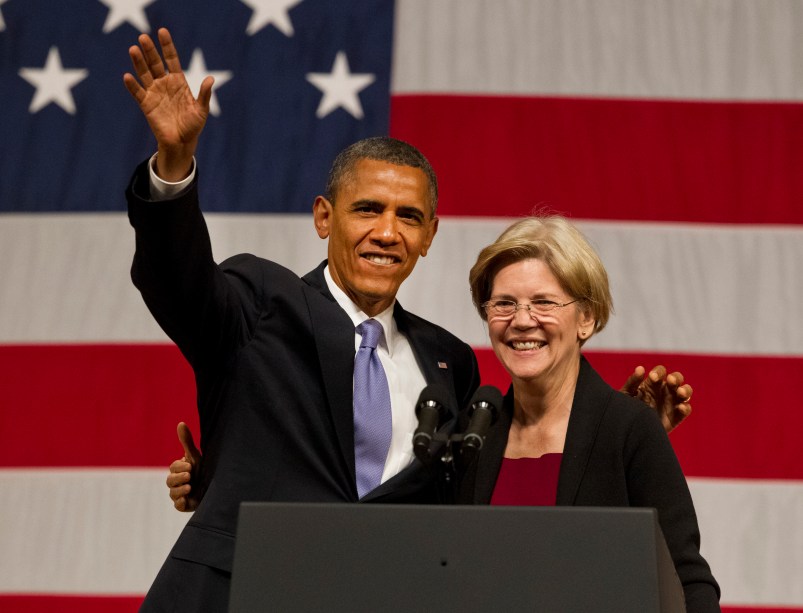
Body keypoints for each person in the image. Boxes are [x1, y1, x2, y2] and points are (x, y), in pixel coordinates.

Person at [124, 28, 694, 611]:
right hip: (241, 594)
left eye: (409, 216)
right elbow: (176, 281)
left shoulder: (451, 364)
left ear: (429, 236)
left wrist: (610, 434)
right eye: (367, 209)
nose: (387, 232)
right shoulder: (259, 303)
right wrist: (174, 163)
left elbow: (489, 494)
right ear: (324, 218)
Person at [457, 215, 720, 611]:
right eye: (504, 304)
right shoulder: (472, 435)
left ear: (587, 318)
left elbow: (688, 582)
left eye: (543, 302)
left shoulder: (628, 428)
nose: (522, 320)